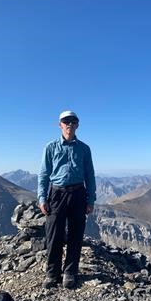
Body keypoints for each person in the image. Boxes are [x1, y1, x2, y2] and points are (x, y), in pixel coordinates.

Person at [37, 110, 96, 289]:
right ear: (59, 124)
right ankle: (52, 273)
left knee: (76, 234)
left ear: (77, 125)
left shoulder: (84, 148)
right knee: (54, 234)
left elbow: (89, 175)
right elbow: (44, 174)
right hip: (56, 194)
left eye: (73, 121)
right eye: (66, 121)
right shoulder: (50, 147)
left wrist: (90, 199)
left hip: (78, 193)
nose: (69, 124)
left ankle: (70, 272)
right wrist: (42, 197)